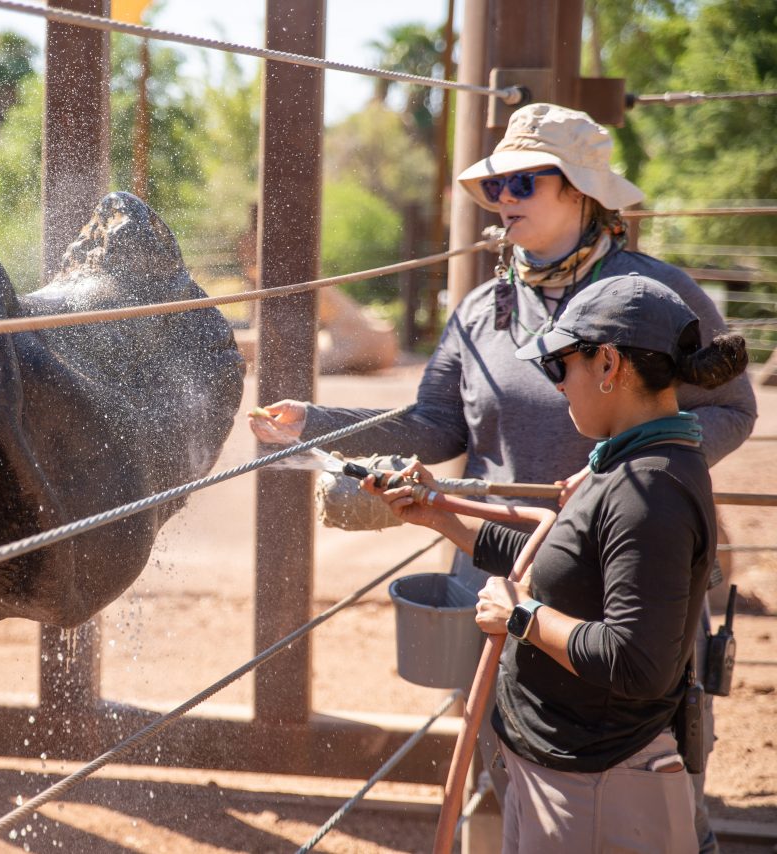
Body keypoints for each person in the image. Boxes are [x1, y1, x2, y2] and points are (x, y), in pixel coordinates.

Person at [248, 103, 757, 852]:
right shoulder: (483, 309)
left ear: (580, 191)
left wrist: (622, 476)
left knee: (648, 772)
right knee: (506, 756)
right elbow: (437, 425)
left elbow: (732, 408)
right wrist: (318, 424)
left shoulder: (654, 298)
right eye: (495, 187)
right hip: (503, 564)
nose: (502, 200)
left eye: (523, 183)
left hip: (626, 564)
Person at [361, 275, 749, 852]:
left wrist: (521, 617)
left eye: (558, 365)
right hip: (576, 776)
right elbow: (561, 562)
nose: (558, 385)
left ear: (608, 363)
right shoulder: (632, 465)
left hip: (596, 790)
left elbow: (636, 662)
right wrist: (437, 514)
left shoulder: (649, 491)